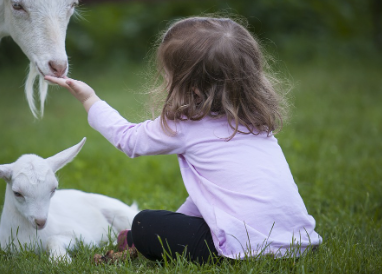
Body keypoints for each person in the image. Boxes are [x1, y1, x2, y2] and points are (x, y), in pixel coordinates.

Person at [45, 16, 322, 264]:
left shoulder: (186, 126)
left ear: (194, 87)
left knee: (143, 224)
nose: (164, 81)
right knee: (158, 224)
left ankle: (138, 240)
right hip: (297, 242)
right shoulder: (257, 125)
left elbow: (128, 139)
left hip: (244, 248)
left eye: (168, 75)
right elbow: (211, 196)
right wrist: (177, 221)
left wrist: (89, 99)